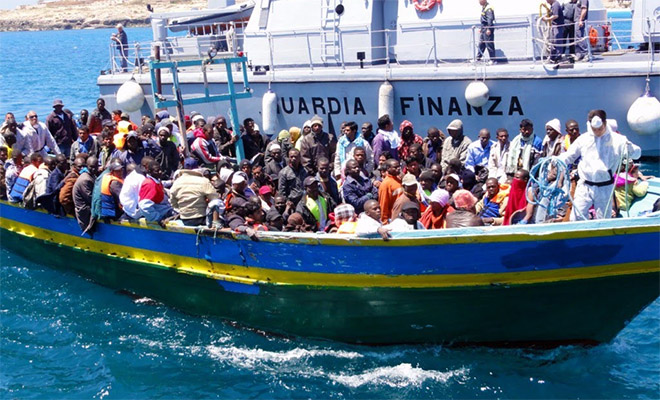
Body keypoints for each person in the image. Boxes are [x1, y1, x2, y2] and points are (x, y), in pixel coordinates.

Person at [558, 110, 641, 220]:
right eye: (594, 129)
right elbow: (569, 155)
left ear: (605, 124)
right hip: (585, 185)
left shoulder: (618, 140)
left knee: (603, 218)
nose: (597, 131)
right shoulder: (584, 139)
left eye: (600, 129)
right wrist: (557, 160)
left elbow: (637, 154)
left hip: (605, 186)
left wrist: (630, 148)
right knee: (576, 216)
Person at [170, 158, 218, 226]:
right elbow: (214, 198)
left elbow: (173, 203)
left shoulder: (177, 182)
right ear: (197, 167)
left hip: (185, 219)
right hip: (202, 217)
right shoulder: (203, 180)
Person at [138, 160, 174, 224]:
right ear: (149, 172)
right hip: (162, 213)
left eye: (160, 170)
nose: (160, 172)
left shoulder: (155, 180)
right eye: (157, 171)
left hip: (166, 208)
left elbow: (161, 183)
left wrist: (171, 182)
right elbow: (144, 206)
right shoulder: (150, 184)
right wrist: (158, 219)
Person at [72, 156, 98, 231]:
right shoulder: (85, 179)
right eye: (91, 167)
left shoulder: (91, 175)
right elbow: (90, 198)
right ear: (87, 166)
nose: (93, 169)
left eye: (95, 167)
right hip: (84, 210)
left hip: (88, 205)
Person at [378, 158, 403, 223]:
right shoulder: (386, 184)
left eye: (399, 166)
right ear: (388, 168)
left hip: (402, 216)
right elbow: (383, 204)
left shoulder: (399, 180)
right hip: (393, 218)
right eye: (395, 167)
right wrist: (385, 222)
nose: (398, 169)